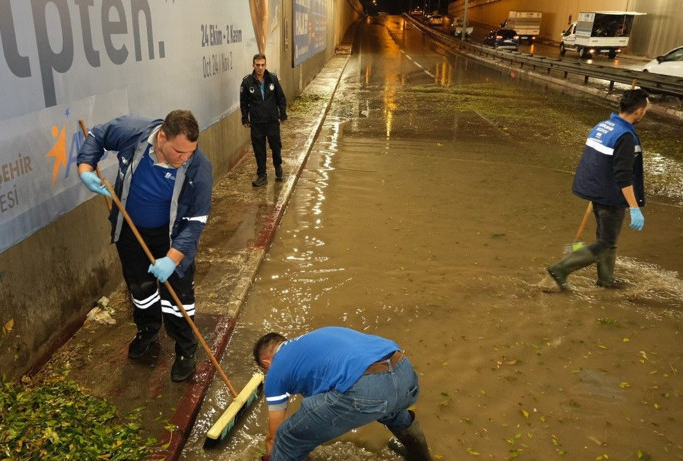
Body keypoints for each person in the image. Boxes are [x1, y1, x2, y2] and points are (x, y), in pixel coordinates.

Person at [77, 110, 212, 382]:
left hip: (171, 236)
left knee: (178, 297)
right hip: (130, 229)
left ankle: (185, 348)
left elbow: (196, 221)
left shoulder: (198, 166)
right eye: (178, 152)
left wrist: (172, 259)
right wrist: (85, 168)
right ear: (161, 137)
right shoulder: (133, 132)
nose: (184, 158)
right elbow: (96, 135)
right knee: (140, 288)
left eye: (190, 152)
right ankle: (147, 330)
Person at [253, 327, 433, 461]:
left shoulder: (276, 368)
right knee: (391, 412)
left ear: (266, 361)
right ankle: (421, 457)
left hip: (368, 387)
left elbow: (273, 435)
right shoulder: (317, 336)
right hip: (404, 372)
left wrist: (270, 456)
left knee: (287, 437)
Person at [546, 89, 649, 291]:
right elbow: (624, 176)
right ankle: (560, 269)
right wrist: (634, 207)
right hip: (610, 196)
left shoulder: (603, 126)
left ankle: (606, 279)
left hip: (595, 190)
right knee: (606, 241)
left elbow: (593, 161)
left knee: (606, 238)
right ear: (638, 111)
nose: (644, 114)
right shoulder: (626, 136)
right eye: (645, 110)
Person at [240, 53, 288, 187]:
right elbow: (243, 103)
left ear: (265, 65)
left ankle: (278, 166)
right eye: (257, 65)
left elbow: (281, 98)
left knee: (275, 146)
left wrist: (282, 113)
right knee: (259, 149)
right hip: (257, 122)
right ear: (253, 65)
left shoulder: (272, 79)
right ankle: (262, 175)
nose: (260, 68)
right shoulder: (247, 82)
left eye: (262, 65)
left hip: (272, 121)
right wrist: (245, 118)